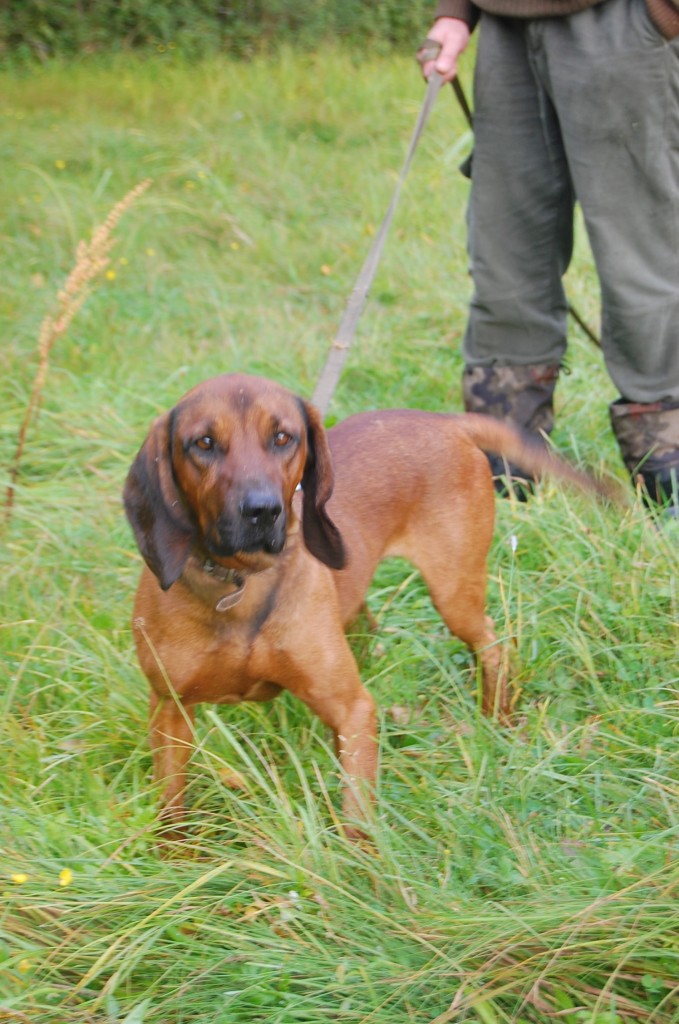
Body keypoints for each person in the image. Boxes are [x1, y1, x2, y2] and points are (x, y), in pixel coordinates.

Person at [420, 0, 679, 514]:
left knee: (644, 263)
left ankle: (667, 474)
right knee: (505, 259)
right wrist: (456, 11)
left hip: (624, 23)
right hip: (505, 26)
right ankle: (506, 482)